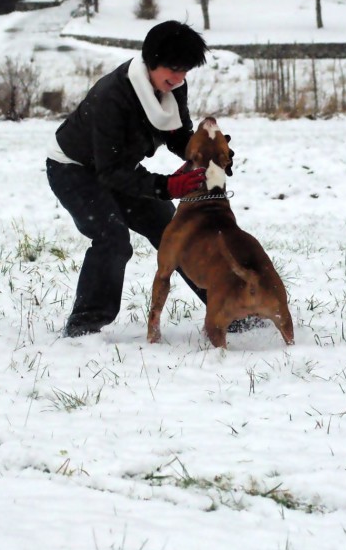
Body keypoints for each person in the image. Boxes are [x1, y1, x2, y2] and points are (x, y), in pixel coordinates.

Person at [46, 20, 241, 338]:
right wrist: (165, 186)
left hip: (119, 167)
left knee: (174, 235)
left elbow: (178, 135)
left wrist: (204, 156)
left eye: (185, 71)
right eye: (173, 68)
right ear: (151, 59)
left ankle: (228, 309)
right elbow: (109, 172)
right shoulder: (113, 97)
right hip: (74, 169)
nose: (178, 78)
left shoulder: (173, 87)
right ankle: (85, 326)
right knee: (112, 237)